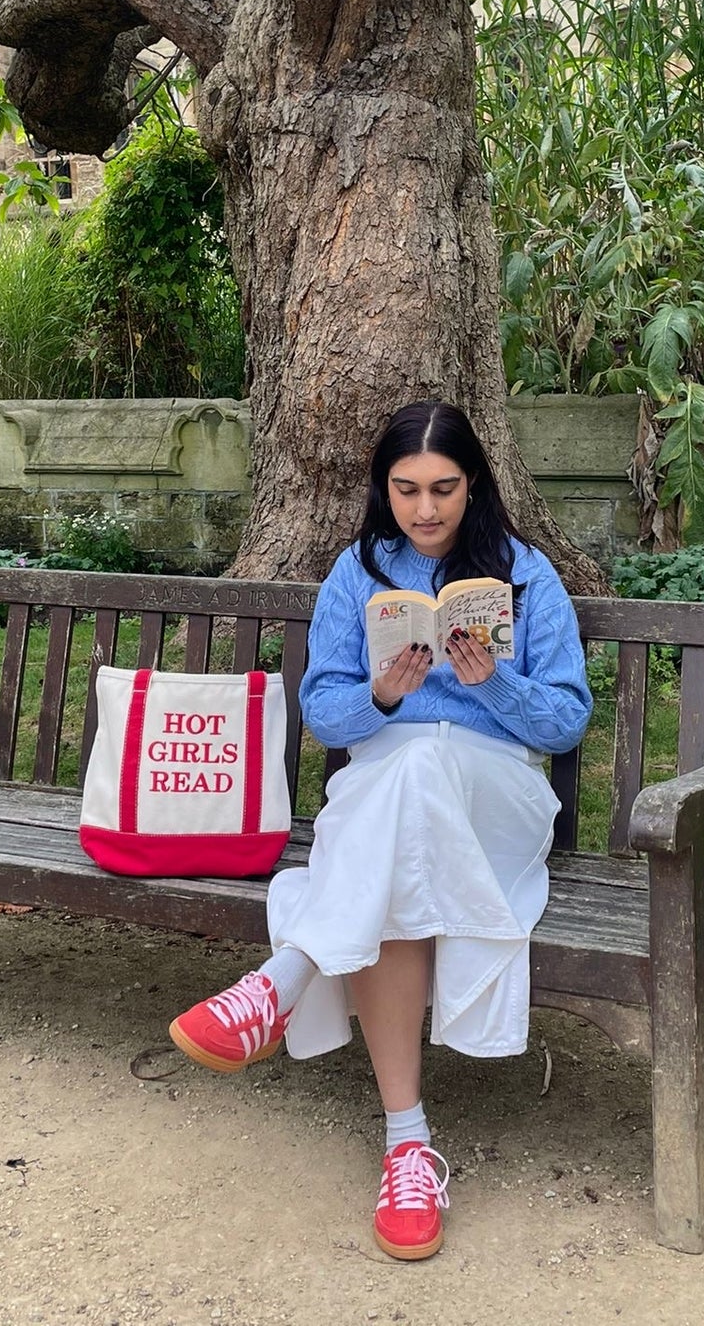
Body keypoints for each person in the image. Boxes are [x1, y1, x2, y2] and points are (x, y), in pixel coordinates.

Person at [169, 401, 591, 1261]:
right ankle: (407, 1143)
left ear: (473, 486)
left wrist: (492, 685)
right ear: (383, 488)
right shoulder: (358, 572)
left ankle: (280, 979)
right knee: (400, 812)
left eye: (442, 488)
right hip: (388, 797)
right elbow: (326, 709)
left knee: (420, 774)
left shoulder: (526, 574)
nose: (424, 509)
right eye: (406, 490)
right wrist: (385, 695)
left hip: (494, 795)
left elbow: (565, 721)